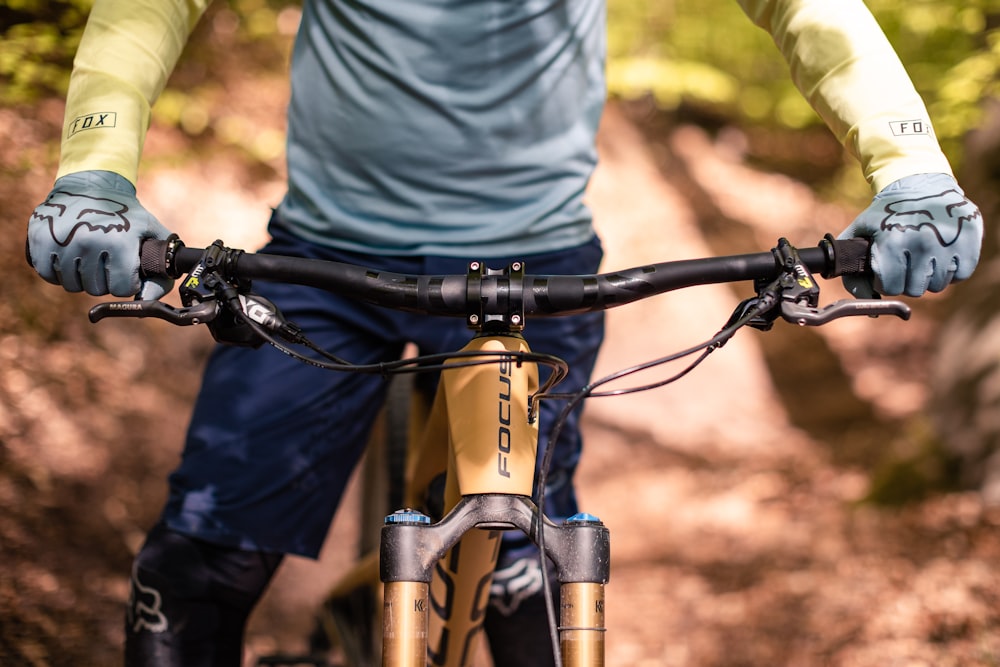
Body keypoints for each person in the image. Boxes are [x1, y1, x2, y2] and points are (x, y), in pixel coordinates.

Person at [26, 0, 983, 665]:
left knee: (528, 566)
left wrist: (911, 170)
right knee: (197, 569)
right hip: (324, 266)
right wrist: (97, 172)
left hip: (536, 278)